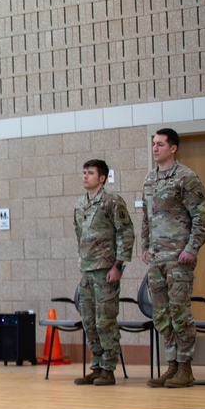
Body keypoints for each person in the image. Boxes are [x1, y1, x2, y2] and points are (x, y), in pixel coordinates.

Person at [142, 128, 205, 388]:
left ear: (173, 148)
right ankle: (171, 365)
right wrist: (146, 246)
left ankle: (186, 367)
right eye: (153, 144)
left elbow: (202, 219)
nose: (155, 148)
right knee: (161, 314)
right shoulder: (150, 180)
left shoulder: (186, 178)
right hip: (157, 259)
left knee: (179, 313)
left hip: (178, 258)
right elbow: (146, 218)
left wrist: (191, 249)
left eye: (160, 144)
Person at [72, 160, 134, 386]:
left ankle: (109, 369)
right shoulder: (80, 204)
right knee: (89, 321)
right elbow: (79, 234)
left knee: (105, 321)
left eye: (90, 173)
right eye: (84, 172)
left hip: (106, 271)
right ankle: (96, 366)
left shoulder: (111, 202)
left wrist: (118, 266)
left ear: (102, 178)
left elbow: (126, 233)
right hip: (87, 271)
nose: (85, 176)